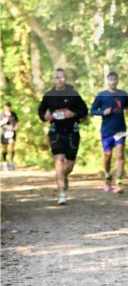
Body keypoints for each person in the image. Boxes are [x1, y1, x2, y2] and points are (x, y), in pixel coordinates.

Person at [38, 68, 88, 205]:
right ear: (53, 79)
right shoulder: (49, 95)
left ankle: (64, 176)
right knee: (59, 160)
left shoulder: (73, 94)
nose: (60, 80)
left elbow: (84, 110)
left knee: (69, 165)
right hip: (56, 132)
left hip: (72, 132)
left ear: (65, 79)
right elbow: (41, 111)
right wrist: (45, 116)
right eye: (57, 77)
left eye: (62, 77)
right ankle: (61, 194)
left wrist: (73, 113)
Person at [90, 71, 128, 193]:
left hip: (120, 129)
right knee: (108, 156)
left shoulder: (123, 94)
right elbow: (92, 110)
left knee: (120, 155)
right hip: (107, 130)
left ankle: (118, 182)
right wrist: (103, 112)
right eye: (110, 80)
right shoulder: (101, 95)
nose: (113, 82)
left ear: (118, 80)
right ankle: (108, 178)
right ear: (107, 81)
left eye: (115, 79)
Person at [0, 102, 19, 170]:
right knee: (5, 148)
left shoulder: (13, 114)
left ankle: (12, 162)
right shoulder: (2, 115)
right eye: (6, 106)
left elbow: (17, 122)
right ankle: (5, 162)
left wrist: (16, 128)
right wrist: (3, 122)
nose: (7, 108)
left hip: (12, 132)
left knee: (12, 145)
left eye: (8, 106)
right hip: (5, 132)